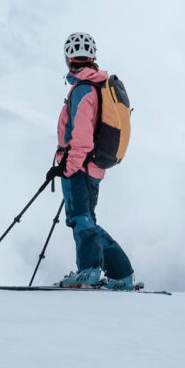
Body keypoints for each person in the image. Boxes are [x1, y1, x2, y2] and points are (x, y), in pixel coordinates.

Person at [45, 32, 135, 290]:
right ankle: (121, 274)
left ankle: (89, 270)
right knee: (87, 220)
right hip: (93, 166)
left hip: (80, 166)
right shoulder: (96, 84)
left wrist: (67, 168)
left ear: (67, 59)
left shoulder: (84, 88)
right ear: (92, 57)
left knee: (80, 219)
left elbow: (82, 137)